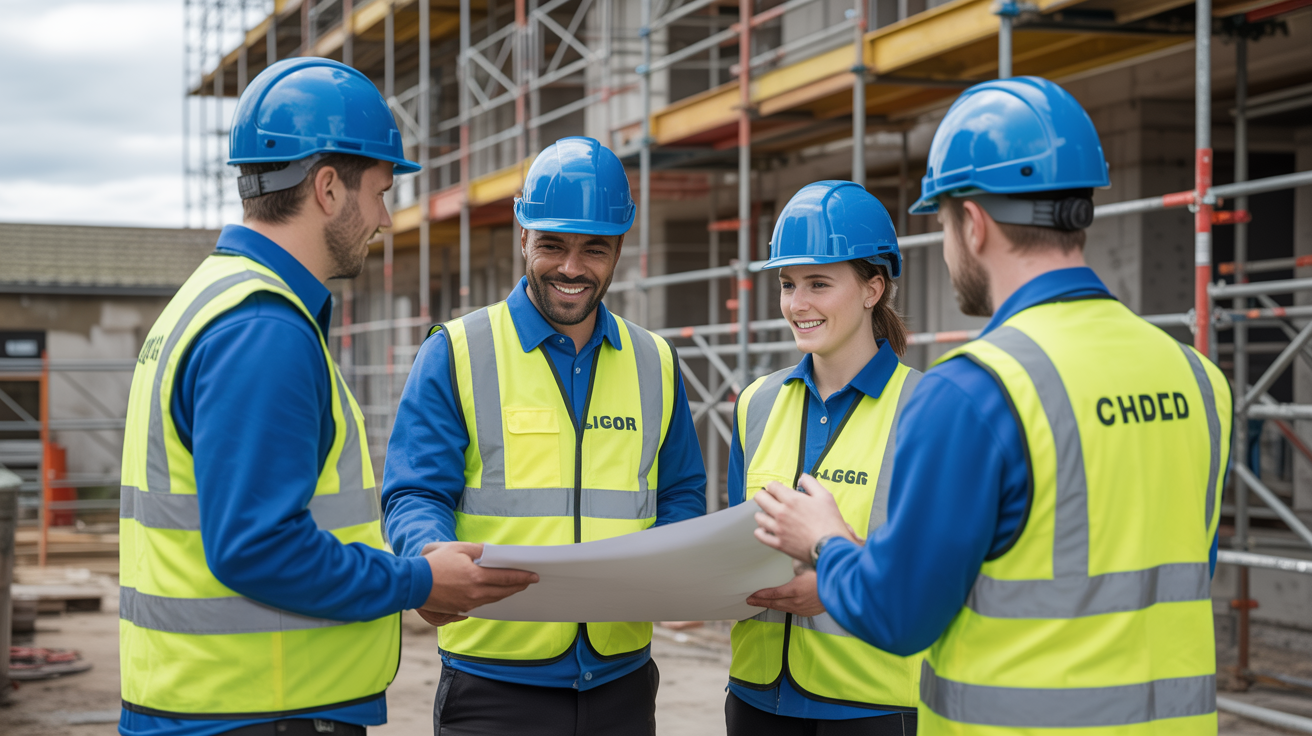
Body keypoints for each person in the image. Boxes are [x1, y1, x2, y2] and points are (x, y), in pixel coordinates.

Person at [752, 76, 1232, 734]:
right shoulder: (1200, 380)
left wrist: (827, 541)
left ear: (972, 225)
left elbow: (898, 614)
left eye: (945, 227)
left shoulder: (973, 392)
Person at [118, 58, 536, 736]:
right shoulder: (263, 328)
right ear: (328, 188)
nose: (386, 217)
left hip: (220, 706)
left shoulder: (215, 300)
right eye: (379, 191)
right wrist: (417, 582)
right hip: (255, 712)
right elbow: (257, 548)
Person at [381, 136, 707, 736]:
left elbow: (681, 489)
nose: (572, 268)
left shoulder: (654, 360)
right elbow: (413, 495)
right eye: (553, 245)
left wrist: (668, 563)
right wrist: (427, 554)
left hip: (622, 681)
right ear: (522, 233)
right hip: (493, 683)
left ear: (620, 247)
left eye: (594, 249)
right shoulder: (456, 352)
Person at [726, 181, 923, 736]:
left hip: (872, 707)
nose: (797, 303)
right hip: (756, 699)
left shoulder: (926, 408)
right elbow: (732, 539)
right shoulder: (756, 403)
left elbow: (940, 571)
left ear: (872, 289)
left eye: (819, 283)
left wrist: (839, 580)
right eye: (788, 284)